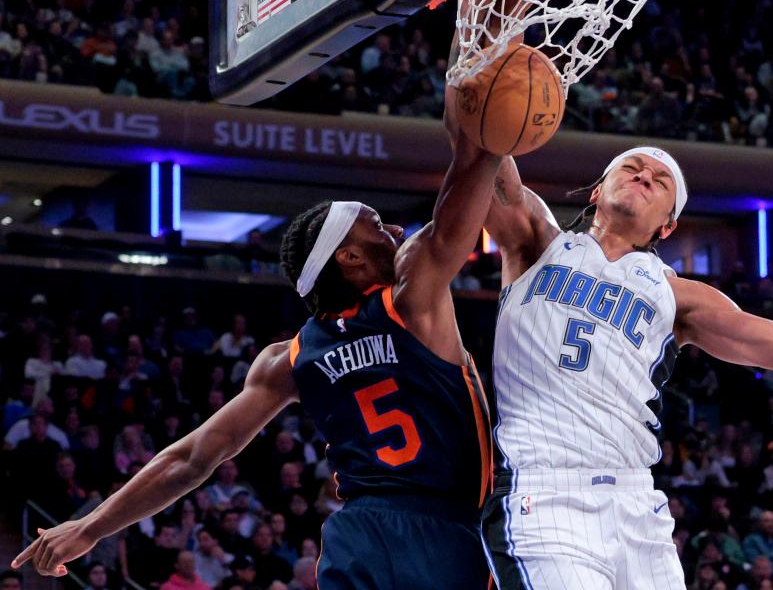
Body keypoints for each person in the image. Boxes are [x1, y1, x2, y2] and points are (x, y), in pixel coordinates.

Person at [12, 68, 504, 589]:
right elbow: (476, 160)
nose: (398, 230)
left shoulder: (286, 358)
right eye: (379, 226)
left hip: (358, 534)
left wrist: (89, 528)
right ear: (351, 256)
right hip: (445, 532)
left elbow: (190, 458)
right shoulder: (412, 296)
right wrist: (482, 58)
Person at [482, 141, 773, 588]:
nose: (645, 174)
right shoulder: (537, 241)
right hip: (545, 490)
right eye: (632, 167)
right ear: (598, 189)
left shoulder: (678, 295)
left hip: (635, 503)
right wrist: (477, 65)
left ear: (668, 226)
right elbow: (486, 142)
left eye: (661, 180)